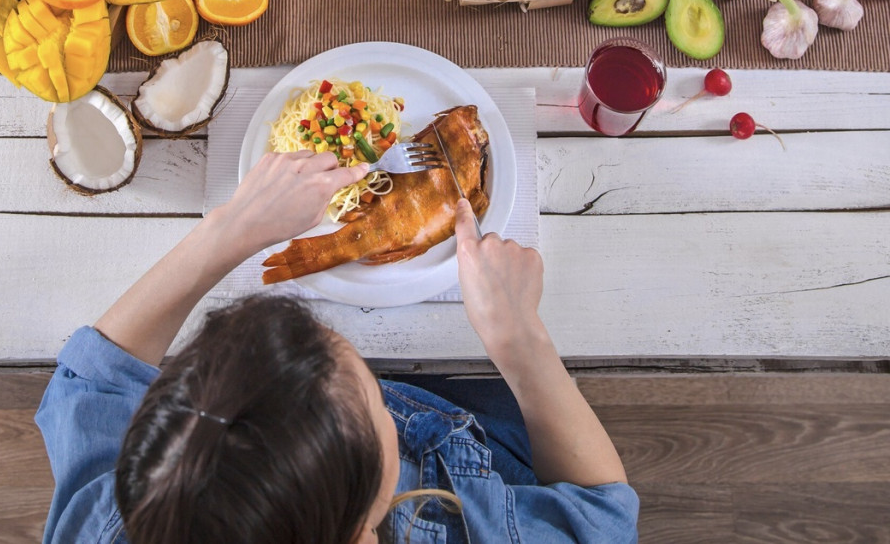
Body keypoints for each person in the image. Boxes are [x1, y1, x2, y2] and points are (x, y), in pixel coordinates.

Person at [36, 150, 639, 543]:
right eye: (375, 399)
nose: (376, 381)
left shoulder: (118, 522)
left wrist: (231, 227)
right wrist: (520, 339)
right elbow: (604, 519)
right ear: (362, 527)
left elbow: (93, 382)